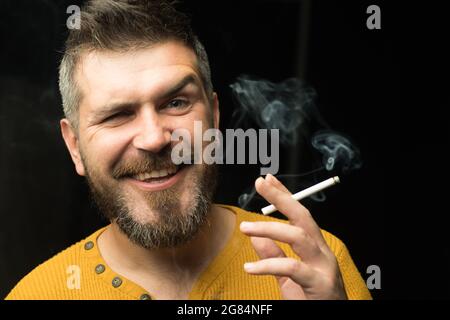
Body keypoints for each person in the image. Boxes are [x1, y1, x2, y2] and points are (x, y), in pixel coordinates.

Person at [5, 0, 371, 300]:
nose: (154, 138)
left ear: (213, 114)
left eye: (177, 103)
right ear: (75, 147)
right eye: (117, 115)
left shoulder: (316, 266)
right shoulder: (36, 295)